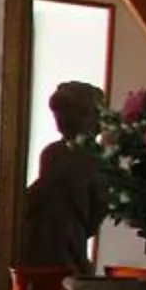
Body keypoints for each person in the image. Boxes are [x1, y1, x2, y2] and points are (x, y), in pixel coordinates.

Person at [19, 80, 109, 274]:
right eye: (59, 116)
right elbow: (37, 197)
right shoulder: (53, 153)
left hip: (71, 242)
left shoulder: (96, 158)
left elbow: (99, 207)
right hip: (43, 242)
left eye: (71, 114)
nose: (61, 121)